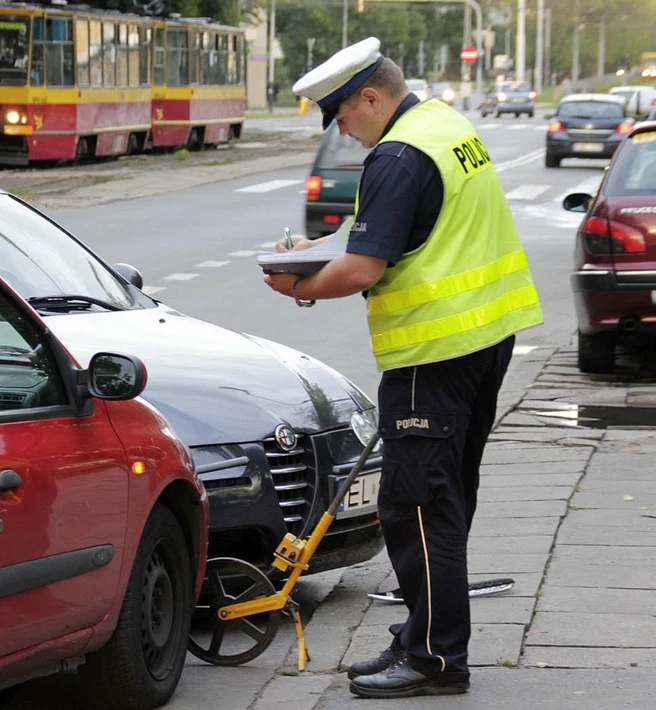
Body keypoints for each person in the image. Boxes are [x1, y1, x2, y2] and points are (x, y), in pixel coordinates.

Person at [264, 37, 544, 699]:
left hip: (431, 354)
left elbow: (365, 267)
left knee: (415, 506)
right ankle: (421, 635)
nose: (342, 131)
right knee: (445, 501)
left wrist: (297, 286)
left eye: (340, 115)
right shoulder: (443, 124)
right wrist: (321, 247)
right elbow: (398, 230)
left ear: (369, 96)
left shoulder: (396, 155)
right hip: (483, 340)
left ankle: (435, 659)